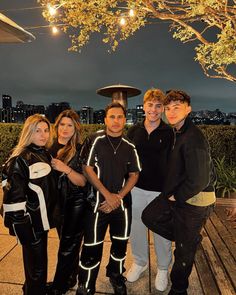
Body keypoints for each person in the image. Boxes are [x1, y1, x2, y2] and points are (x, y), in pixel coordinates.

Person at [150, 90, 216, 295]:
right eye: (168, 108)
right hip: (185, 197)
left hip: (195, 201)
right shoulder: (179, 132)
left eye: (176, 107)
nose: (170, 112)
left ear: (188, 109)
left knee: (183, 251)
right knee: (150, 216)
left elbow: (200, 179)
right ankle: (190, 239)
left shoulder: (193, 137)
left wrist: (176, 196)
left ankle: (179, 288)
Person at [76, 102, 141, 295]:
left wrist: (118, 197)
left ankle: (115, 275)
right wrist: (107, 196)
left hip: (122, 205)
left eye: (120, 117)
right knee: (92, 245)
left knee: (120, 243)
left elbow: (134, 174)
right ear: (105, 119)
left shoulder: (129, 145)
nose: (116, 121)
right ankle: (86, 283)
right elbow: (86, 169)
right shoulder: (94, 139)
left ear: (124, 119)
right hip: (97, 203)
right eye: (112, 117)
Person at [1, 114, 60, 295]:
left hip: (40, 223)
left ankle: (31, 289)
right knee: (37, 269)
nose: (43, 135)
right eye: (37, 131)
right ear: (28, 132)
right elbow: (12, 196)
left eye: (45, 130)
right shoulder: (21, 158)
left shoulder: (43, 153)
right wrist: (21, 226)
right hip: (32, 224)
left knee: (36, 267)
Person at [126, 88, 173, 291]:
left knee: (161, 231)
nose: (153, 109)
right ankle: (140, 262)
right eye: (150, 105)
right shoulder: (134, 131)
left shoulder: (169, 132)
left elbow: (174, 163)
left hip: (160, 192)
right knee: (136, 229)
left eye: (158, 105)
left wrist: (172, 191)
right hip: (136, 189)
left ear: (162, 109)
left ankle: (163, 268)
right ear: (144, 106)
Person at [47, 109, 87, 295]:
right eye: (62, 124)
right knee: (67, 243)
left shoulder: (80, 149)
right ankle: (71, 276)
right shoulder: (49, 147)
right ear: (57, 127)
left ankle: (59, 286)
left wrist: (65, 169)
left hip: (75, 202)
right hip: (56, 203)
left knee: (67, 246)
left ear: (75, 128)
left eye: (69, 125)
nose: (65, 128)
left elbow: (83, 181)